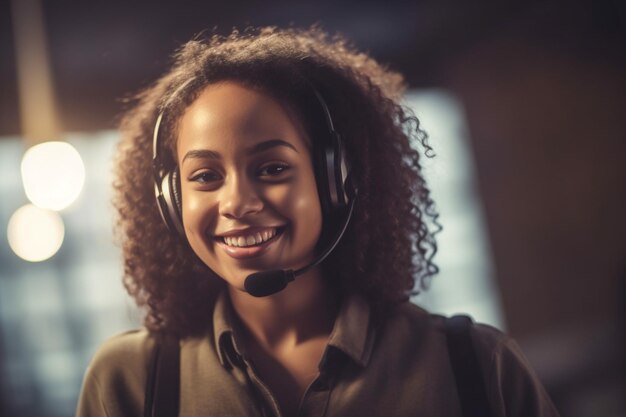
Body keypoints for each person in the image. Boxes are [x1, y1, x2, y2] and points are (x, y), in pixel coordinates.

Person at [75, 27, 560, 417]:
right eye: (205, 176)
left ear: (337, 181)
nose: (236, 202)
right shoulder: (130, 381)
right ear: (169, 199)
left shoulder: (476, 366)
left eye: (272, 169)